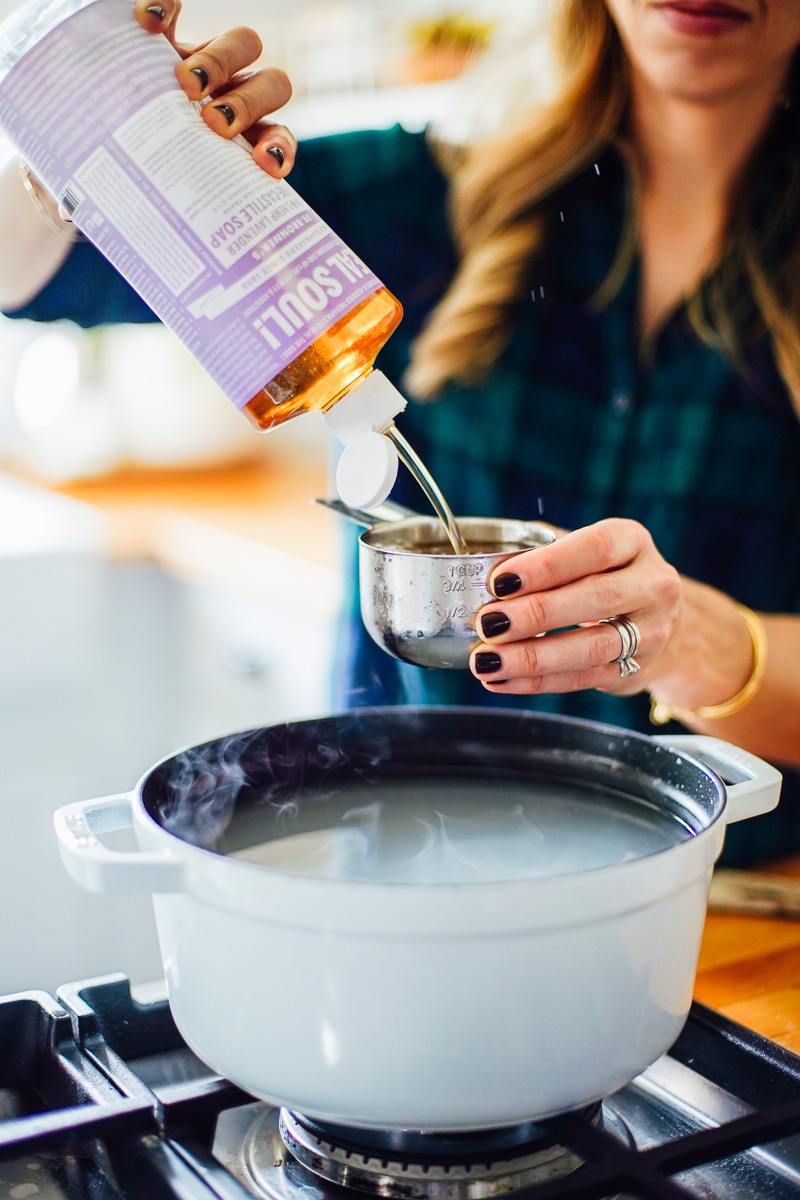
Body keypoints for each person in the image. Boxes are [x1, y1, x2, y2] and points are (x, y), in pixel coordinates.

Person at [1, 0, 799, 863]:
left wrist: (692, 644)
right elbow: (33, 275)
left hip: (719, 916)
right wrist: (100, 150)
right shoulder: (432, 192)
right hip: (408, 871)